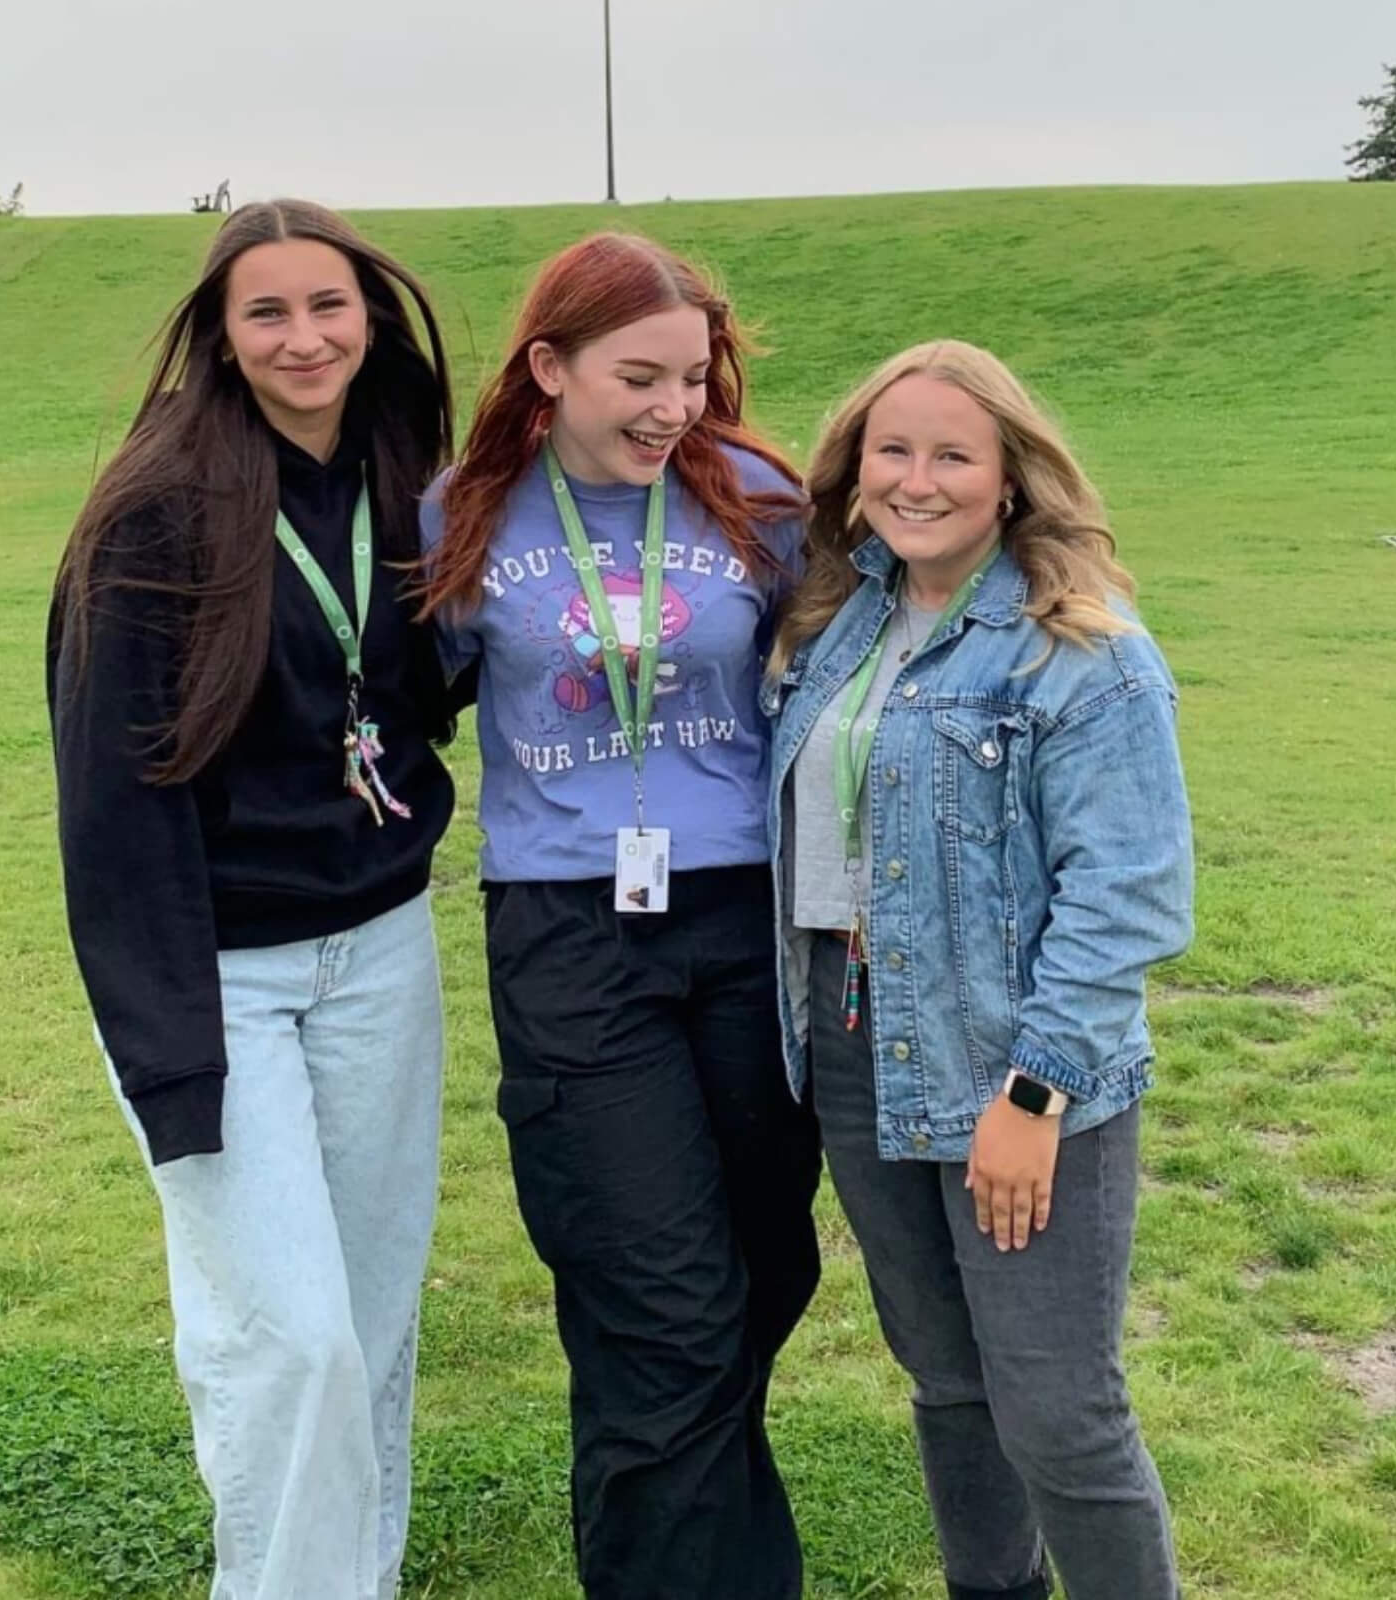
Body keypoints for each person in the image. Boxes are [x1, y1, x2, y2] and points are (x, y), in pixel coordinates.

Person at [47, 198, 459, 1600]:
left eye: (327, 306)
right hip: (219, 975)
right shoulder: (152, 513)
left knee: (373, 1322)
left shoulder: (403, 468)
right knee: (290, 1336)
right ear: (220, 337)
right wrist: (171, 1065)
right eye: (267, 312)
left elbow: (428, 680)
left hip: (382, 955)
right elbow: (111, 813)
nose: (305, 337)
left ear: (371, 316)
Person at [416, 232, 821, 1600]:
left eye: (694, 378)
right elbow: (403, 698)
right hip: (570, 935)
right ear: (548, 368)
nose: (672, 409)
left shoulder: (760, 499)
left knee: (760, 1275)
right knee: (662, 1304)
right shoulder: (464, 513)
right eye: (637, 377)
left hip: (746, 925)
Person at [765, 340, 1194, 1600]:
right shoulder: (835, 625)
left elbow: (1127, 900)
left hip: (1012, 1067)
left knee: (1059, 1411)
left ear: (1010, 478)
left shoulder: (1084, 650)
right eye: (892, 451)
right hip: (852, 1042)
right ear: (853, 475)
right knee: (949, 1385)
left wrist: (1033, 1095)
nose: (919, 479)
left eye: (954, 454)